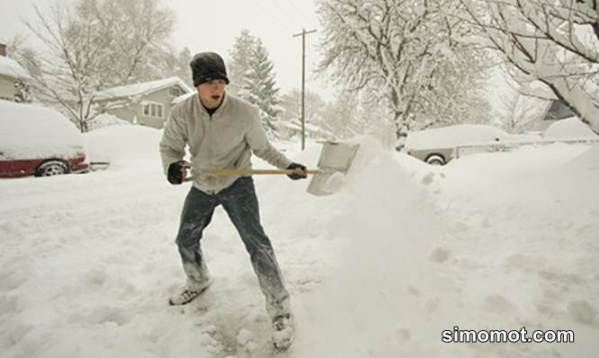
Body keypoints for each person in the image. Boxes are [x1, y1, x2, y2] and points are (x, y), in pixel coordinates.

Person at [159, 51, 306, 350]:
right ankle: (197, 280)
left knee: (257, 244)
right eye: (209, 82)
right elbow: (170, 147)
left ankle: (280, 311)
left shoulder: (245, 112)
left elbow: (263, 148)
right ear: (197, 85)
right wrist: (172, 167)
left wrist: (287, 165)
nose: (216, 88)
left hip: (237, 182)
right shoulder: (182, 113)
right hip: (202, 183)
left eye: (220, 81)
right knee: (185, 238)